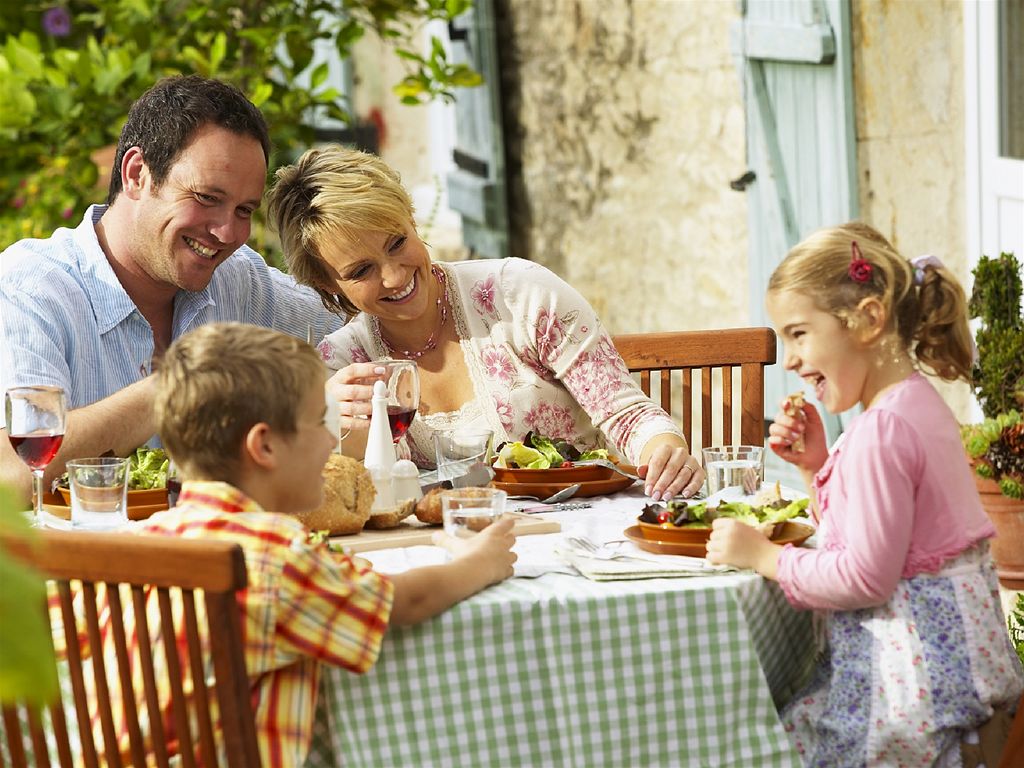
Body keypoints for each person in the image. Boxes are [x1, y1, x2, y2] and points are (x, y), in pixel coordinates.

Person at [94, 321, 513, 764]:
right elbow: (400, 602)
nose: (333, 439)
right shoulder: (277, 559)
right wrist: (479, 563)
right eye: (320, 421)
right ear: (266, 447)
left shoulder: (138, 543)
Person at [705, 222, 1024, 764]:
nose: (788, 359)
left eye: (799, 333)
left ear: (869, 319)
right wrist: (818, 465)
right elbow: (884, 539)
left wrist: (765, 557)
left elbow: (865, 577)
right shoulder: (912, 406)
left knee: (761, 745)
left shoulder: (883, 431)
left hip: (910, 698)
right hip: (956, 675)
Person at [265, 144, 705, 500]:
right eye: (361, 271)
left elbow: (626, 414)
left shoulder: (519, 294)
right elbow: (325, 493)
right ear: (328, 286)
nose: (394, 276)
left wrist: (663, 451)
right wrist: (329, 430)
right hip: (444, 559)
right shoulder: (341, 367)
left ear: (414, 220)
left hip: (581, 537)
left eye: (398, 242)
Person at [0, 75, 341, 500]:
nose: (226, 231)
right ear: (137, 174)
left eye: (244, 209)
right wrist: (177, 386)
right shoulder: (28, 288)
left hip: (212, 556)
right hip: (73, 565)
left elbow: (355, 320)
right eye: (206, 198)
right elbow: (12, 475)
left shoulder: (238, 280)